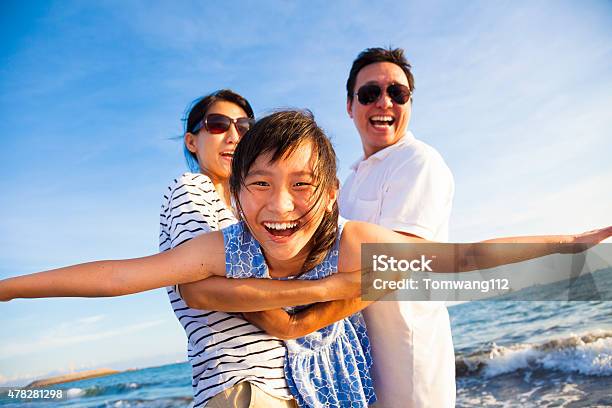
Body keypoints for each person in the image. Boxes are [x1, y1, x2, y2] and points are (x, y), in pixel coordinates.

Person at [1, 110, 610, 407]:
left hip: (348, 390)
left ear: (331, 189)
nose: (280, 205)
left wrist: (567, 245)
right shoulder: (225, 246)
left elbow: (467, 255)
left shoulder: (355, 240)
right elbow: (118, 275)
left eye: (301, 183)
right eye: (259, 184)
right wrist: (6, 288)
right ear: (235, 195)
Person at [159, 91, 358, 408]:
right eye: (217, 125)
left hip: (286, 386)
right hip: (242, 386)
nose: (233, 135)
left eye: (244, 126)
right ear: (191, 141)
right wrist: (300, 314)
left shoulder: (249, 211)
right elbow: (195, 285)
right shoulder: (193, 187)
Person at [341, 47, 455, 407]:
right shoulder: (351, 178)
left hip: (411, 366)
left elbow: (394, 262)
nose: (384, 103)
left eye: (397, 93)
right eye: (369, 93)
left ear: (409, 103)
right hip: (363, 368)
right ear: (350, 106)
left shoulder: (418, 161)